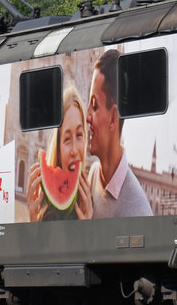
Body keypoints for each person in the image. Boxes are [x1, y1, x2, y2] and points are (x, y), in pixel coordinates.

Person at [86, 49, 153, 218]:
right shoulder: (93, 174)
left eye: (94, 105)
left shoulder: (139, 212)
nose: (87, 116)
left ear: (113, 118)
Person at [28, 85, 94, 220]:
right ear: (58, 149)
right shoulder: (45, 211)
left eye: (79, 135)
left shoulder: (93, 205)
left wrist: (88, 229)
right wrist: (32, 224)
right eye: (67, 139)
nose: (74, 150)